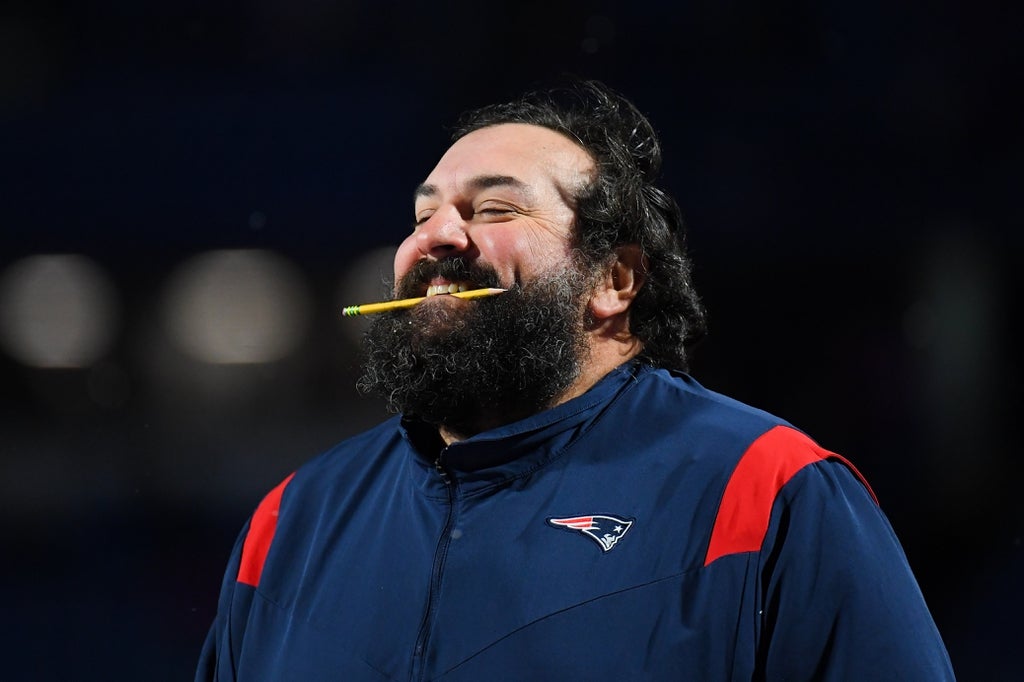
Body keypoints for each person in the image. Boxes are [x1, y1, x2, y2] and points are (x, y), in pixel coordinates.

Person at [196, 79, 955, 680]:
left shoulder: (767, 491)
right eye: (423, 214)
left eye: (494, 207)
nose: (439, 236)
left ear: (615, 279)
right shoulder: (290, 522)